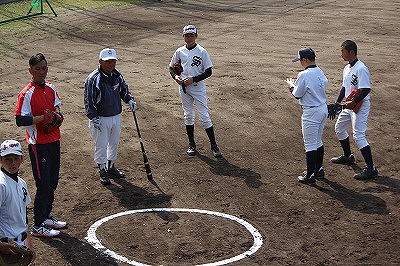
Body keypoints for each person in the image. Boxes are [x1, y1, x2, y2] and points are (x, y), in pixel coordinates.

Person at [14, 53, 66, 238]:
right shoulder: (26, 93)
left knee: (53, 182)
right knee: (43, 184)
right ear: (31, 70)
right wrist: (43, 118)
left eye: (44, 68)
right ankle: (37, 225)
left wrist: (56, 116)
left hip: (54, 141)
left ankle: (46, 216)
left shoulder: (51, 87)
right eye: (38, 69)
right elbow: (20, 119)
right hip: (38, 145)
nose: (42, 72)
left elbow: (57, 107)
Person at [84, 48, 137, 186]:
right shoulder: (93, 79)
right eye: (107, 62)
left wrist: (129, 100)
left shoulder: (117, 75)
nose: (111, 64)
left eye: (113, 61)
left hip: (116, 116)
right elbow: (89, 100)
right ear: (100, 61)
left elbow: (124, 90)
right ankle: (102, 169)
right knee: (101, 145)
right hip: (100, 118)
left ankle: (111, 166)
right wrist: (93, 117)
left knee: (114, 143)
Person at [169, 25, 222, 158]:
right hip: (183, 88)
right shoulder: (179, 51)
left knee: (204, 116)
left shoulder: (202, 51)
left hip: (198, 87)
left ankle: (214, 145)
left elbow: (209, 71)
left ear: (196, 36)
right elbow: (171, 68)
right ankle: (191, 144)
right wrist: (176, 77)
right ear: (183, 37)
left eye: (191, 35)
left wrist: (193, 79)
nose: (189, 37)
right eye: (187, 35)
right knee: (188, 115)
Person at [329, 40, 378, 180]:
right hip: (349, 105)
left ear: (351, 52)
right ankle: (348, 156)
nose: (341, 54)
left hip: (360, 106)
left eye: (342, 51)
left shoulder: (361, 68)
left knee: (358, 135)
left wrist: (354, 102)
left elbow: (366, 89)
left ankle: (371, 168)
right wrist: (337, 103)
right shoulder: (346, 68)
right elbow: (344, 87)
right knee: (339, 128)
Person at [286, 47, 328, 184]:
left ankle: (310, 175)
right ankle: (319, 169)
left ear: (304, 60)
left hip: (311, 112)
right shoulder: (319, 71)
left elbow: (297, 94)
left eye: (300, 60)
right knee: (318, 141)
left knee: (310, 145)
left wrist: (291, 86)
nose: (300, 63)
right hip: (322, 109)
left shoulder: (304, 75)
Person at [0, 140, 35, 263]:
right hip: (5, 247)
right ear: (1, 160)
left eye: (16, 158)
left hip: (20, 246)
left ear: (22, 159)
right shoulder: (1, 184)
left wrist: (29, 244)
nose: (12, 163)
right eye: (8, 159)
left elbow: (24, 218)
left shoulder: (22, 183)